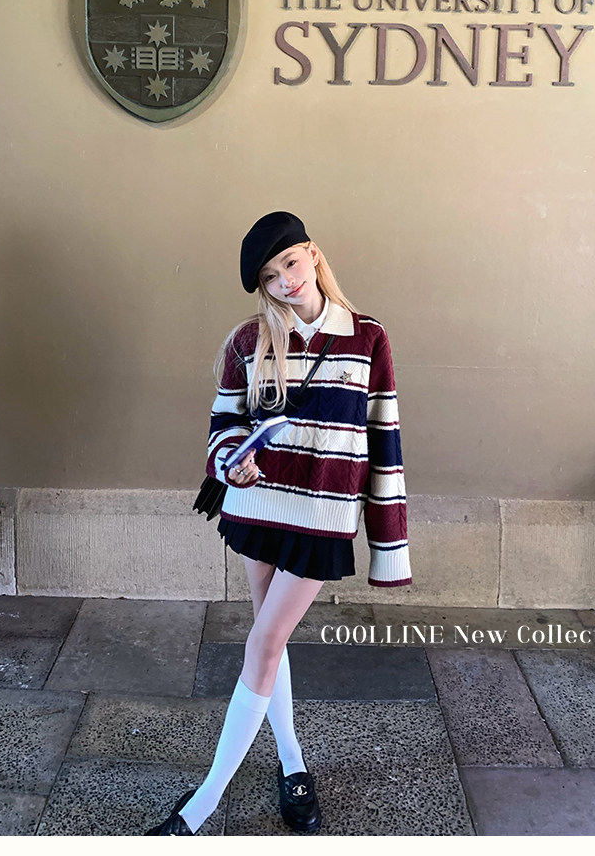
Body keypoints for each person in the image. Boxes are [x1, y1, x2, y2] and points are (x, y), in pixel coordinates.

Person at [146, 210, 412, 836]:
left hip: (322, 516)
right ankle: (292, 763)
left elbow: (384, 439)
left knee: (264, 642)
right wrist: (230, 463)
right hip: (258, 507)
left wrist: (388, 542)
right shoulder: (250, 340)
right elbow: (224, 424)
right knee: (271, 640)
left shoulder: (367, 338)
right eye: (270, 276)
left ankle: (202, 804)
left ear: (313, 254)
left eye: (290, 262)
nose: (285, 281)